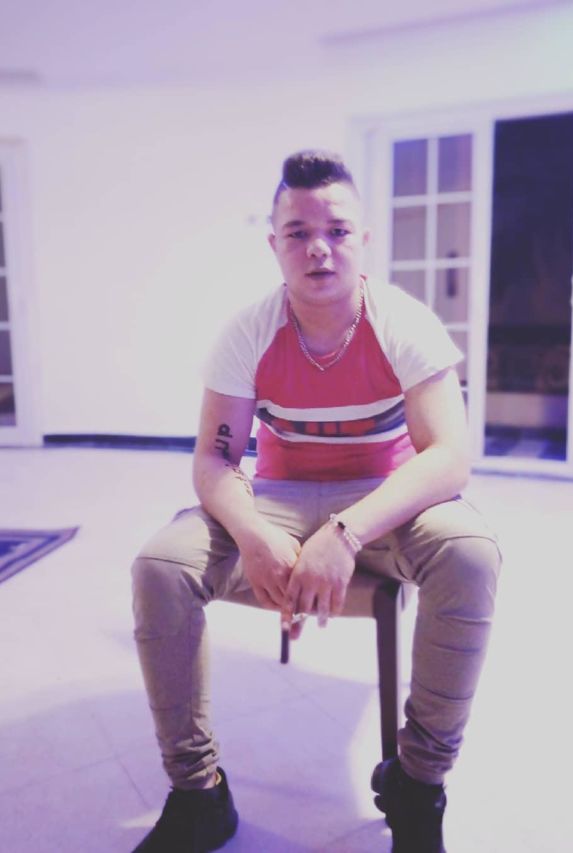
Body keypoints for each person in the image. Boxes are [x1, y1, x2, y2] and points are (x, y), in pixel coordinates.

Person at [131, 150, 501, 853]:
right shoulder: (248, 331)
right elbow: (214, 458)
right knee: (160, 566)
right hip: (277, 495)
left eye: (337, 230)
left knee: (471, 555)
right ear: (274, 245)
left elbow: (450, 457)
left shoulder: (404, 322)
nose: (319, 248)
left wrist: (345, 533)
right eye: (298, 233)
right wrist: (252, 534)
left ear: (365, 240)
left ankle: (418, 785)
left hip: (384, 502)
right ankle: (198, 793)